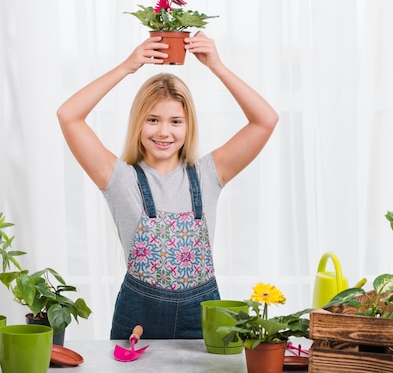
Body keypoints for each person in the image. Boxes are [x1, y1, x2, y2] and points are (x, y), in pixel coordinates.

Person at [57, 32, 279, 339]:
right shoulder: (120, 178)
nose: (164, 132)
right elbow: (68, 116)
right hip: (139, 318)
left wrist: (218, 66)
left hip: (202, 316)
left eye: (176, 121)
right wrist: (127, 66)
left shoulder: (209, 174)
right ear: (138, 122)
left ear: (189, 126)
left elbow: (265, 120)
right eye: (152, 120)